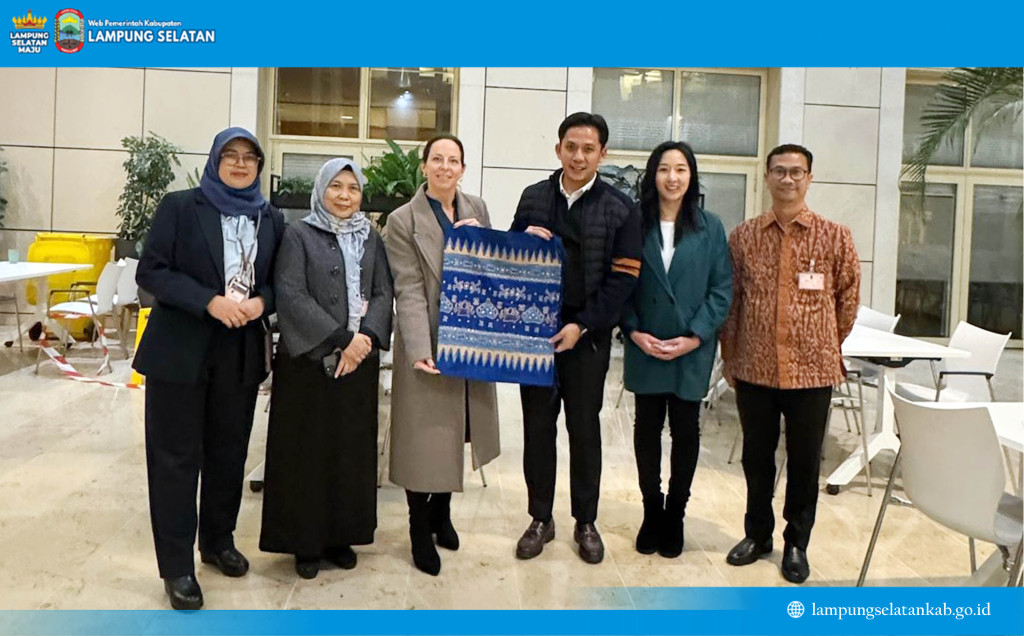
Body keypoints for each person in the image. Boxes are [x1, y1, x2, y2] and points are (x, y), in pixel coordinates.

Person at [134, 127, 285, 610]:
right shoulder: (181, 207)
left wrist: (261, 304)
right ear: (215, 161)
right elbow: (151, 271)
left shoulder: (270, 218)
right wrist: (209, 302)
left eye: (249, 157)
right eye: (230, 155)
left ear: (259, 167)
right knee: (175, 459)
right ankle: (177, 566)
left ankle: (218, 542)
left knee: (228, 454)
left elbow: (279, 281)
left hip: (238, 352)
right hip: (180, 351)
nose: (240, 164)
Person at [720, 143, 860, 584]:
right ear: (767, 177)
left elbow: (848, 300)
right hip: (755, 367)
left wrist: (823, 342)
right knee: (756, 459)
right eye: (779, 171)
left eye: (796, 172)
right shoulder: (744, 237)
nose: (787, 179)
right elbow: (732, 302)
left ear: (809, 178)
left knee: (804, 462)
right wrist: (730, 354)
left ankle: (797, 543)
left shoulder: (835, 236)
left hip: (812, 371)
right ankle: (757, 535)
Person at [510, 112, 642, 564]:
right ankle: (540, 518)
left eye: (588, 149)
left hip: (587, 337)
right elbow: (510, 262)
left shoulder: (621, 208)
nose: (578, 156)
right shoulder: (533, 197)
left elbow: (624, 279)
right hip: (535, 337)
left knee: (584, 431)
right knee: (537, 429)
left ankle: (586, 521)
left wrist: (582, 325)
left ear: (603, 154)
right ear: (558, 149)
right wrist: (521, 238)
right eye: (571, 147)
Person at [259, 158, 393, 579]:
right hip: (309, 363)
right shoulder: (299, 234)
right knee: (306, 453)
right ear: (321, 190)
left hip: (359, 364)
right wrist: (341, 339)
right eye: (336, 186)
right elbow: (291, 294)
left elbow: (383, 291)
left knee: (349, 452)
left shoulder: (370, 237)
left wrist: (365, 338)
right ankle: (305, 543)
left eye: (353, 188)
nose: (344, 196)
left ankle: (342, 537)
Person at [385, 134, 500, 576]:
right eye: (437, 159)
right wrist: (419, 348)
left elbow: (491, 268)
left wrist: (492, 240)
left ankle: (442, 514)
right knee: (424, 439)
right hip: (428, 338)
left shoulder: (477, 208)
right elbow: (408, 288)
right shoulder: (402, 220)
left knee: (457, 430)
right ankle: (418, 526)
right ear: (424, 166)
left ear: (463, 169)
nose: (445, 167)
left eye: (453, 161)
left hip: (469, 339)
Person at [620, 141, 732, 558]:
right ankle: (652, 510)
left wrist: (696, 335)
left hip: (690, 347)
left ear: (691, 176)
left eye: (681, 169)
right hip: (645, 343)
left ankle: (676, 514)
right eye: (664, 169)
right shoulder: (634, 223)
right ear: (653, 176)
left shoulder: (710, 227)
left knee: (686, 432)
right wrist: (633, 331)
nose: (672, 177)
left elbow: (722, 289)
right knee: (647, 430)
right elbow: (620, 282)